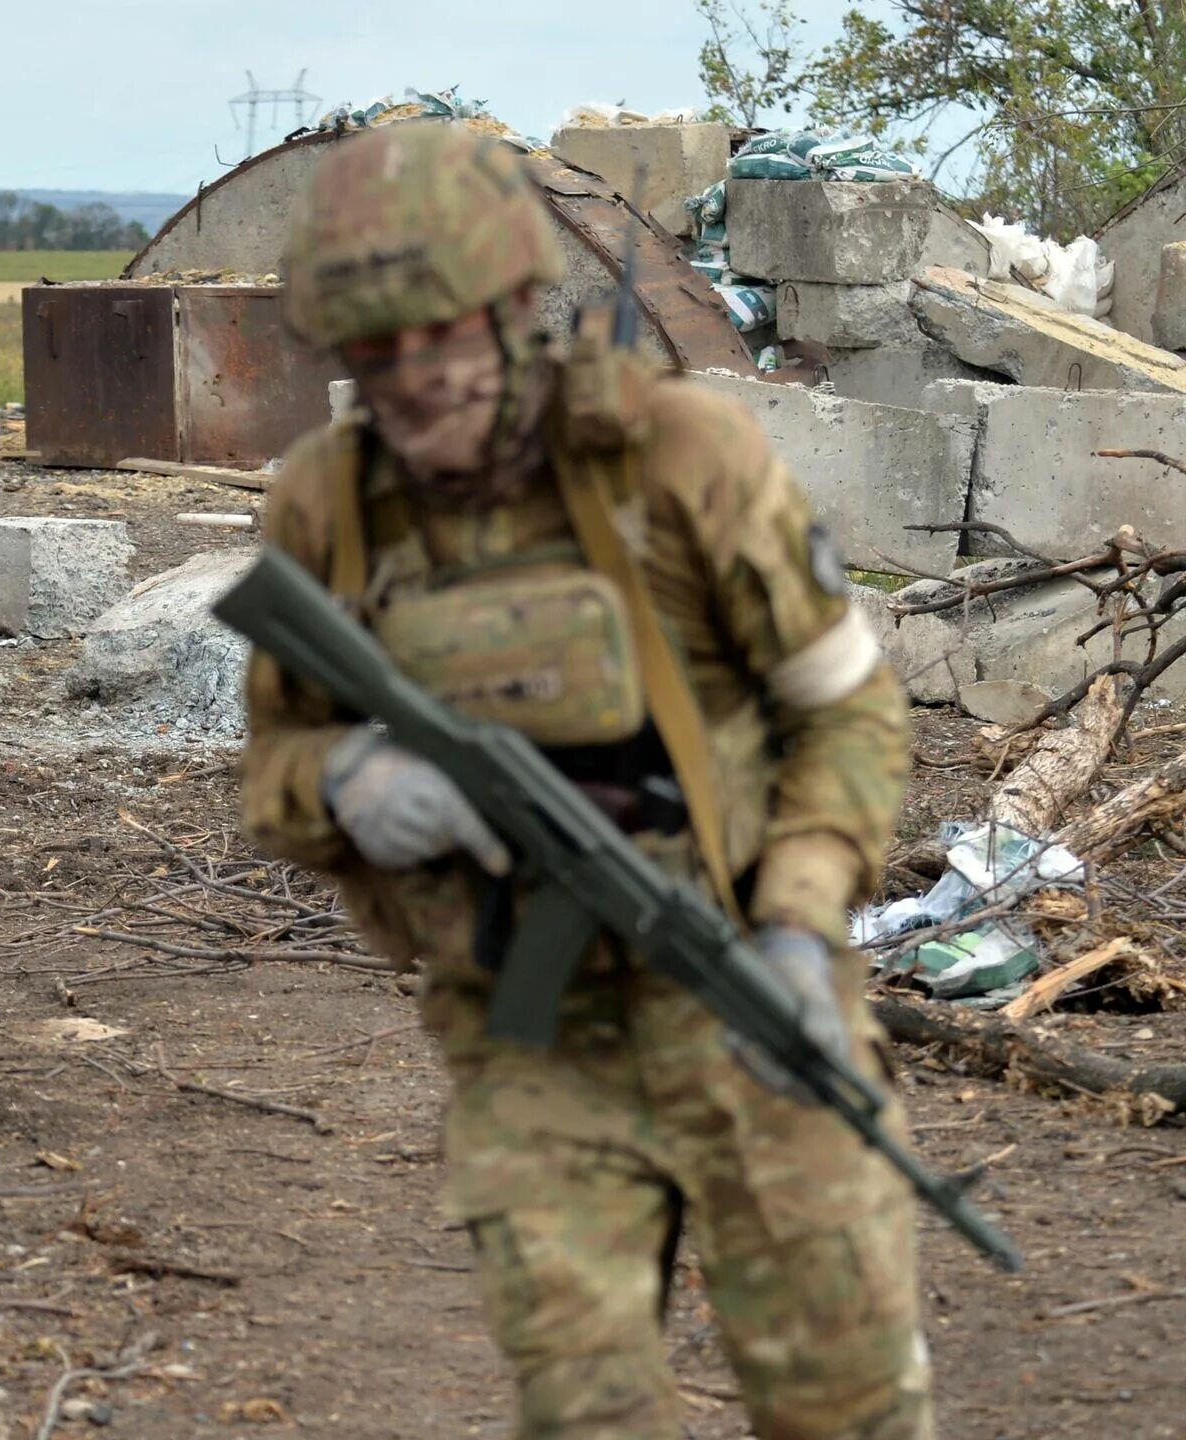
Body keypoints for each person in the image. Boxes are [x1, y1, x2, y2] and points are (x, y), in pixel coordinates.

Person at [239, 121, 930, 1439]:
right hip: (529, 1040)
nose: (416, 383)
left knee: (845, 1405)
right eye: (375, 357)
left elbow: (849, 713)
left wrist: (795, 926)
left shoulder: (684, 457)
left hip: (747, 999)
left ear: (511, 308)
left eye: (440, 337)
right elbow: (270, 764)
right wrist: (344, 783)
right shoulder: (326, 507)